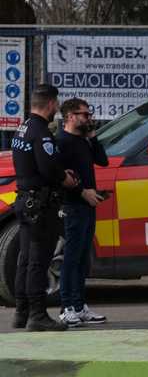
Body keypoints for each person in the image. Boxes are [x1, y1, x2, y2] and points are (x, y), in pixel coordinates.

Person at [11, 83, 78, 331]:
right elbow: (48, 168)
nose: (57, 108)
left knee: (26, 259)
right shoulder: (41, 131)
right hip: (40, 204)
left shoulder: (23, 127)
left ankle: (21, 312)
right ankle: (37, 315)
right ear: (50, 103)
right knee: (38, 261)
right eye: (56, 104)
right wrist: (66, 179)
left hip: (25, 200)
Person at [55, 97, 108, 327]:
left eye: (89, 114)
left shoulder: (83, 140)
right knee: (72, 257)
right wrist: (81, 192)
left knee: (82, 258)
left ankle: (79, 305)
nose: (89, 118)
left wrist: (92, 137)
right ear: (69, 117)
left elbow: (103, 161)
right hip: (72, 205)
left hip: (88, 205)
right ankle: (66, 307)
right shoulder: (62, 142)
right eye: (84, 115)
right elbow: (59, 177)